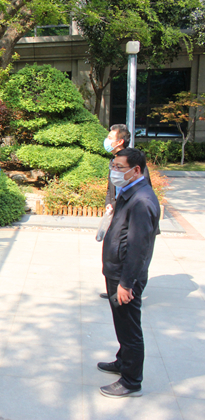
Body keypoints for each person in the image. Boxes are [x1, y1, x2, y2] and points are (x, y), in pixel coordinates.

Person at [99, 147, 160, 398]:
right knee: (121, 323)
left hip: (125, 275)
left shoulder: (142, 200)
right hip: (116, 269)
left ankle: (131, 381)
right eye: (113, 166)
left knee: (129, 328)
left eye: (119, 168)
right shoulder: (129, 192)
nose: (114, 171)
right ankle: (123, 361)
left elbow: (139, 248)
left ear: (136, 170)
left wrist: (126, 283)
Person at [100, 124, 153, 300]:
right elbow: (111, 188)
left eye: (110, 137)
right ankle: (115, 287)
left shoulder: (133, 162)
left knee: (135, 254)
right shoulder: (115, 160)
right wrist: (110, 203)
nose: (107, 140)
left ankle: (132, 293)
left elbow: (142, 189)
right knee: (116, 251)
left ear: (120, 141)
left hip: (133, 217)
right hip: (118, 213)